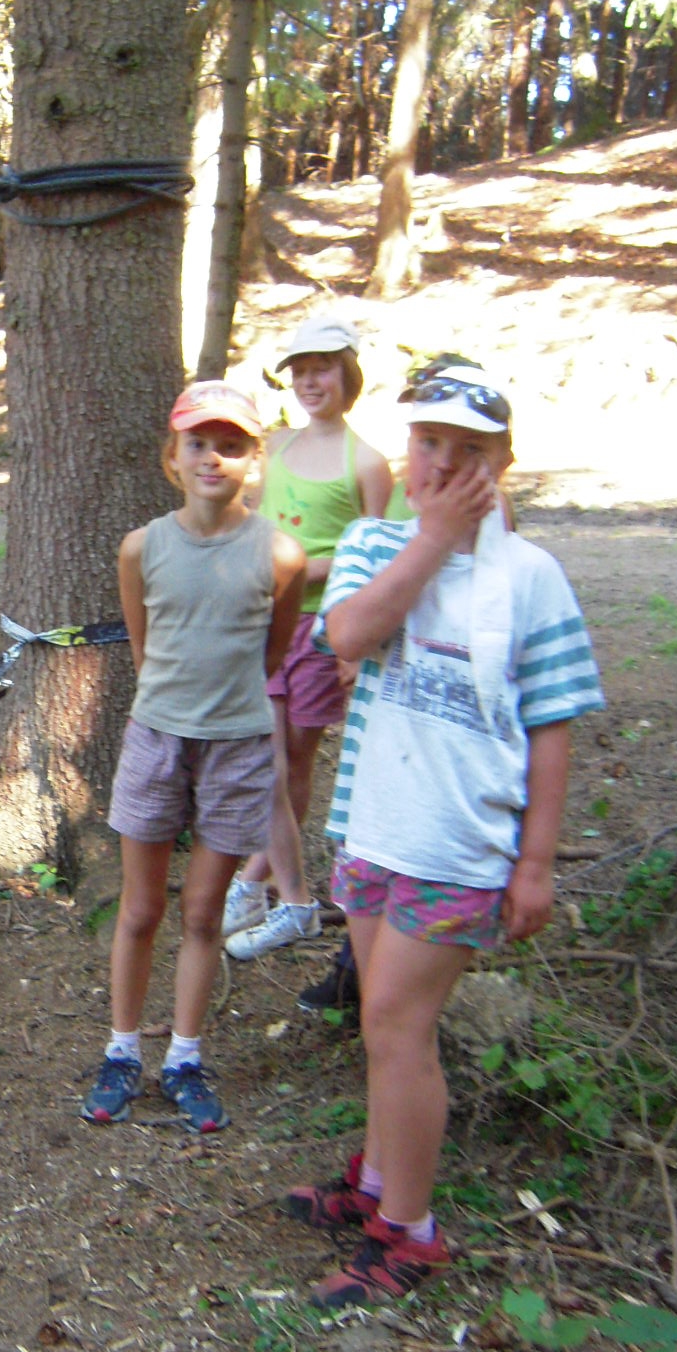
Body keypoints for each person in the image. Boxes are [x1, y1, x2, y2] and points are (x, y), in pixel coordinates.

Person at [284, 360, 603, 1305]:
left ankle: (411, 1234)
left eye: (470, 450)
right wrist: (429, 543)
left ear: (501, 465)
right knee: (380, 1025)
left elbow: (553, 723)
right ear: (407, 450)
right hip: (376, 827)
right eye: (429, 442)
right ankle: (379, 1181)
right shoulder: (375, 542)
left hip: (461, 847)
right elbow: (346, 636)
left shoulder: (532, 578)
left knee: (397, 1022)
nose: (445, 463)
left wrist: (534, 863)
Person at [82, 382, 306, 1134]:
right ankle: (121, 1051)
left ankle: (184, 1057)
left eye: (231, 445)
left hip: (238, 748)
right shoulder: (142, 547)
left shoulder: (280, 554)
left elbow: (271, 653)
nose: (213, 457)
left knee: (204, 912)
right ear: (172, 458)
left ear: (254, 460)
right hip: (157, 739)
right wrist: (176, 707)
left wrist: (225, 708)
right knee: (141, 908)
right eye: (198, 443)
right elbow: (143, 648)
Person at [223, 314, 392, 962]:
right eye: (300, 371)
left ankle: (257, 883)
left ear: (348, 376)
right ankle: (263, 887)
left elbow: (375, 553)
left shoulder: (367, 462)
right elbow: (257, 523)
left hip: (324, 630)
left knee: (295, 761)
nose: (311, 382)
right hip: (268, 620)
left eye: (323, 370)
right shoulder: (278, 446)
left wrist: (310, 576)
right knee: (268, 759)